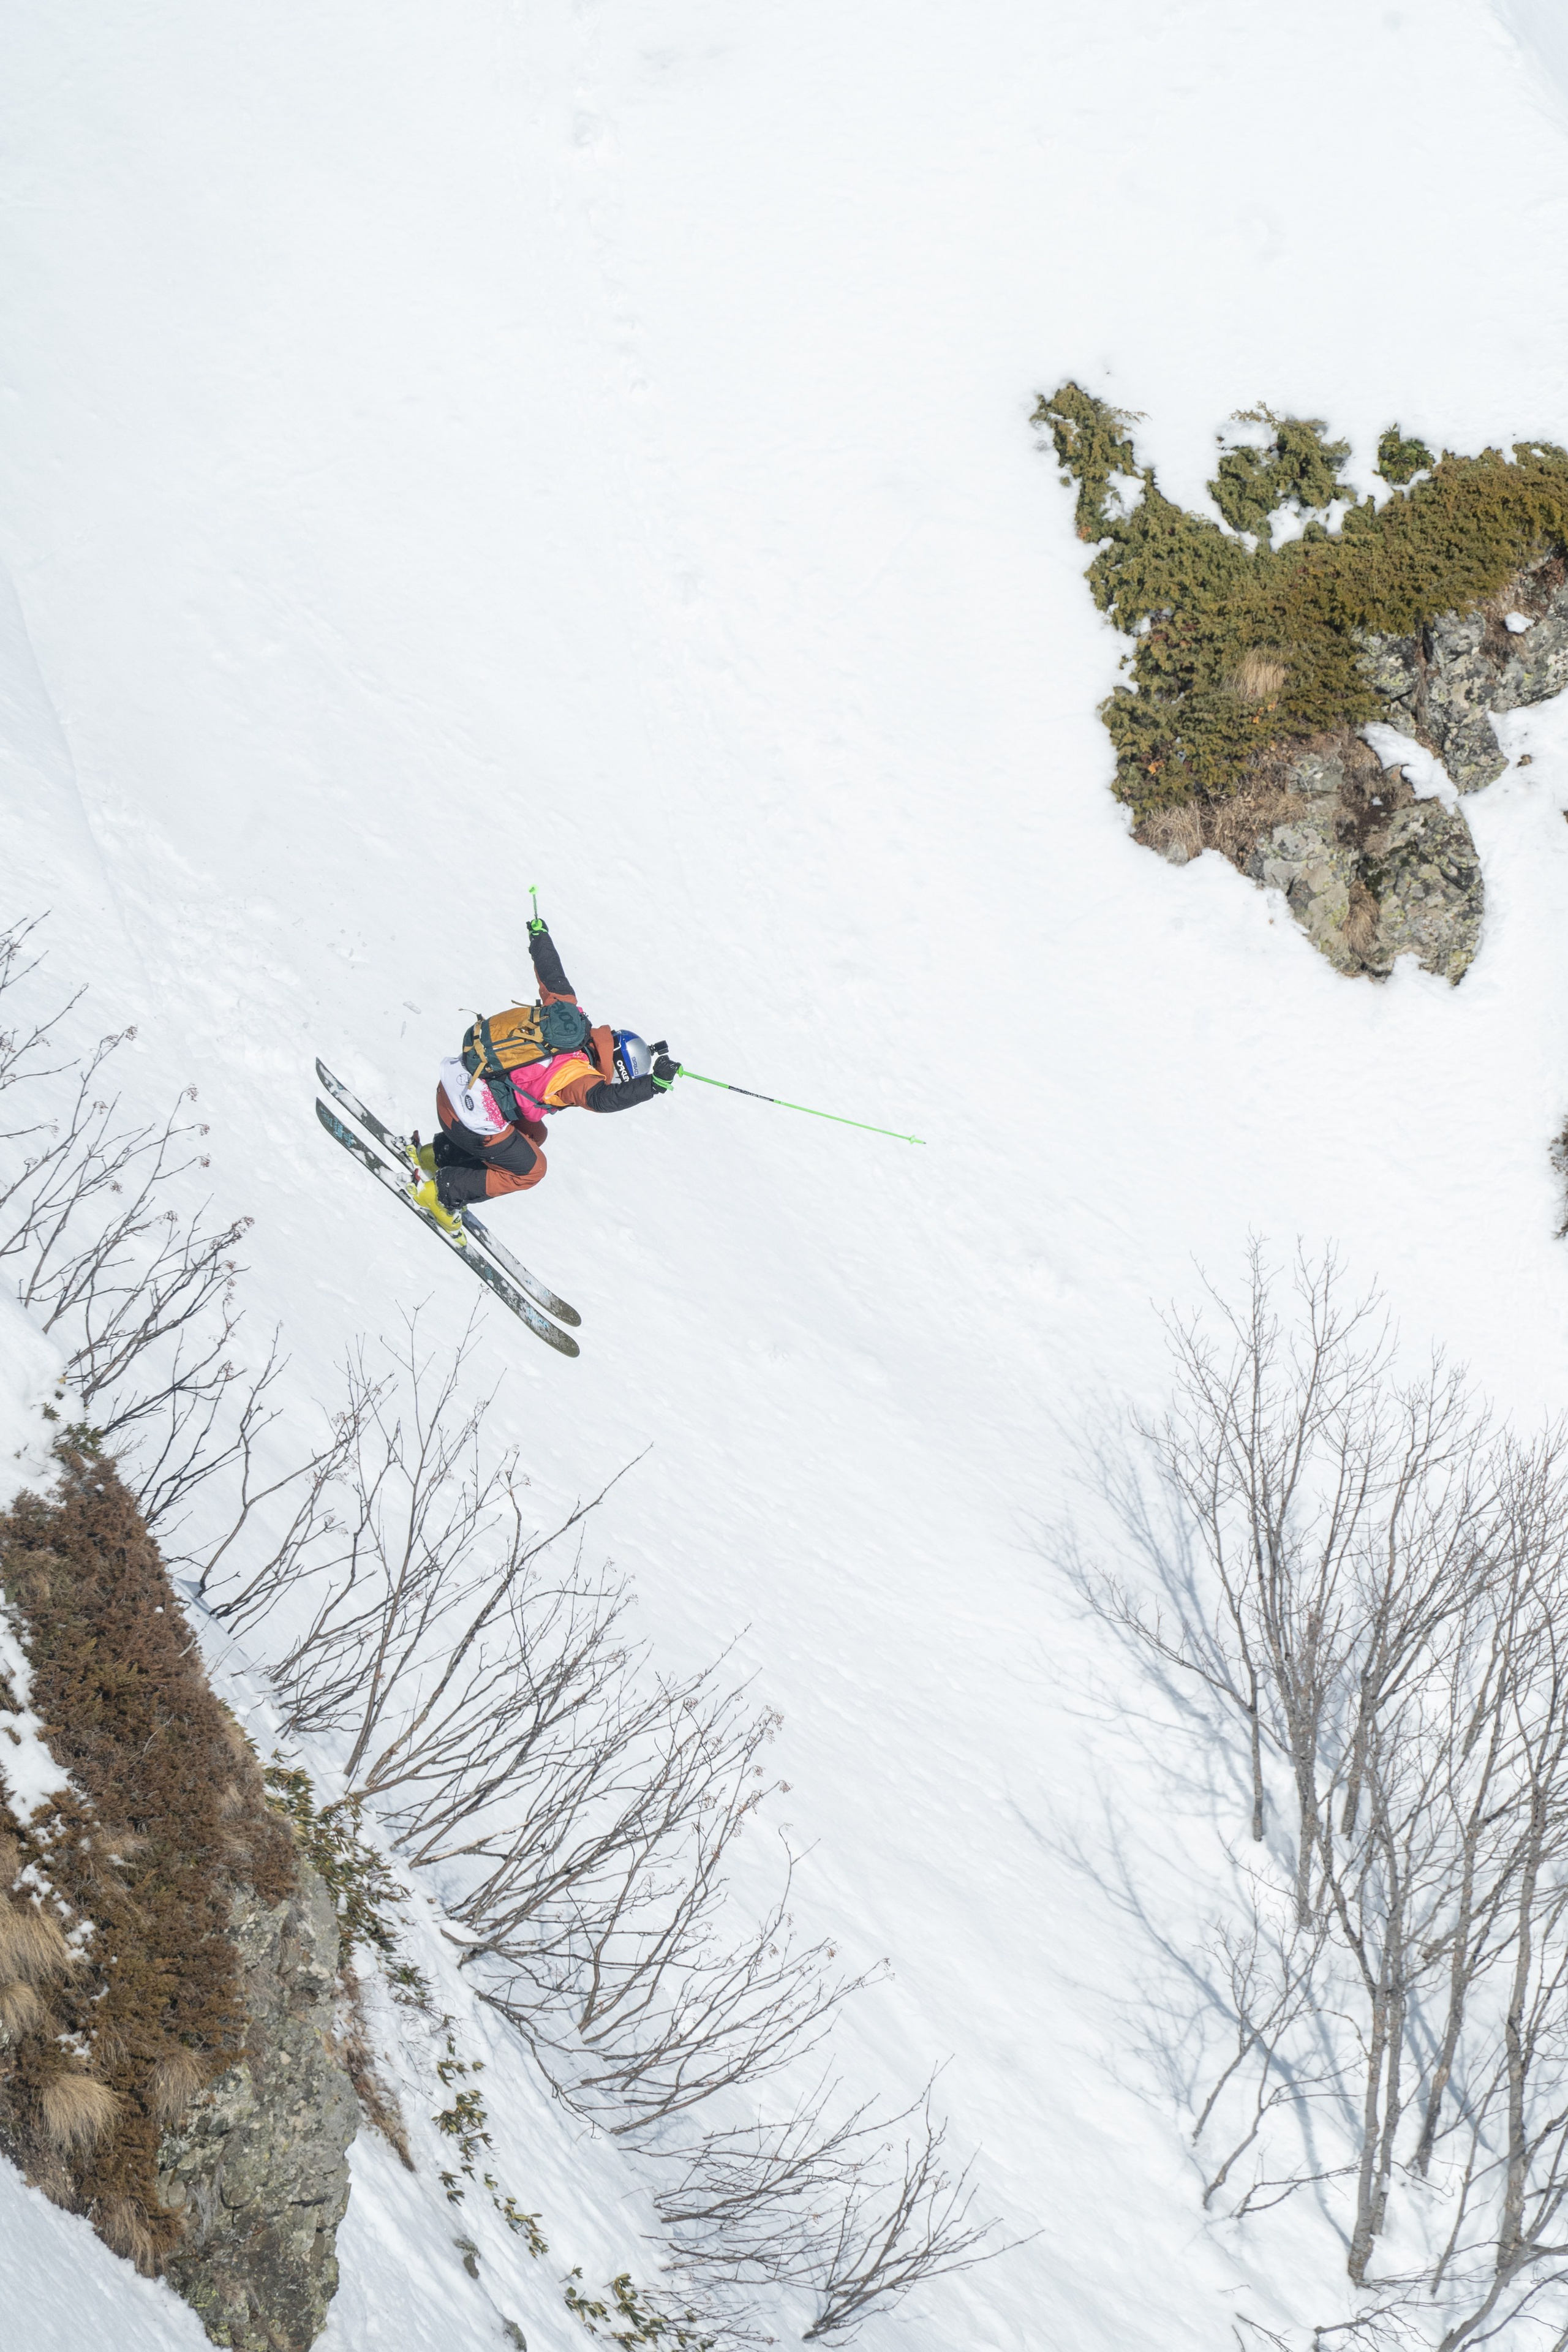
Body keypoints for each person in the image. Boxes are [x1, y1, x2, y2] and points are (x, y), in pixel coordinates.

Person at [408, 916, 677, 1234]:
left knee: (535, 1135)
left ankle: (432, 1158)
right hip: (467, 1119)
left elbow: (553, 974)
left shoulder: (568, 1021)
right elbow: (603, 1100)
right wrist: (653, 1086)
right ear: (619, 1072)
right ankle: (441, 1195)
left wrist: (540, 937)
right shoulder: (577, 1075)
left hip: (455, 1086)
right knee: (531, 1170)